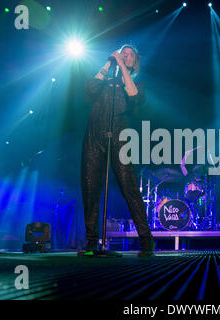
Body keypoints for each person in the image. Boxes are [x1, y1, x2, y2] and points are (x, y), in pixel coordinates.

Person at [80, 45, 155, 257]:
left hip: (120, 134)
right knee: (90, 186)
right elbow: (90, 88)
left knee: (128, 186)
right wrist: (108, 61)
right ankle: (92, 240)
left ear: (135, 61)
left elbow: (134, 96)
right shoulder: (105, 82)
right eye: (123, 53)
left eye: (130, 55)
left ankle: (146, 239)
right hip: (95, 133)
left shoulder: (134, 83)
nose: (126, 56)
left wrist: (121, 65)